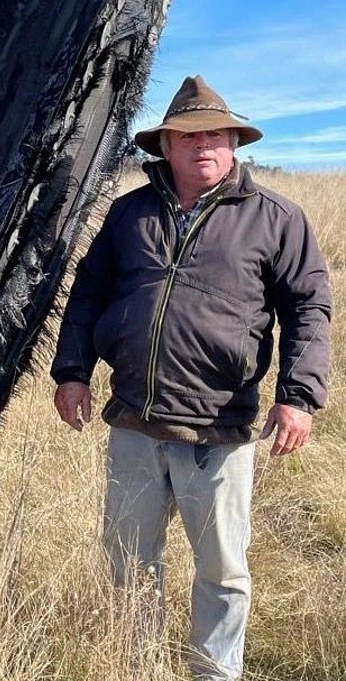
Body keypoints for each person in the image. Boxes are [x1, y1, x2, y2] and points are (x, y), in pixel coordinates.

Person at [50, 75, 331, 681]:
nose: (203, 145)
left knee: (223, 570)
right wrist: (72, 372)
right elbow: (88, 294)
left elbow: (309, 307)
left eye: (216, 135)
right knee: (129, 560)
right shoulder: (130, 213)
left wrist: (298, 396)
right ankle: (135, 663)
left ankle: (216, 672)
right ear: (166, 148)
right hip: (133, 422)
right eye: (188, 135)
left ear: (234, 143)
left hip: (218, 428)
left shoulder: (276, 217)